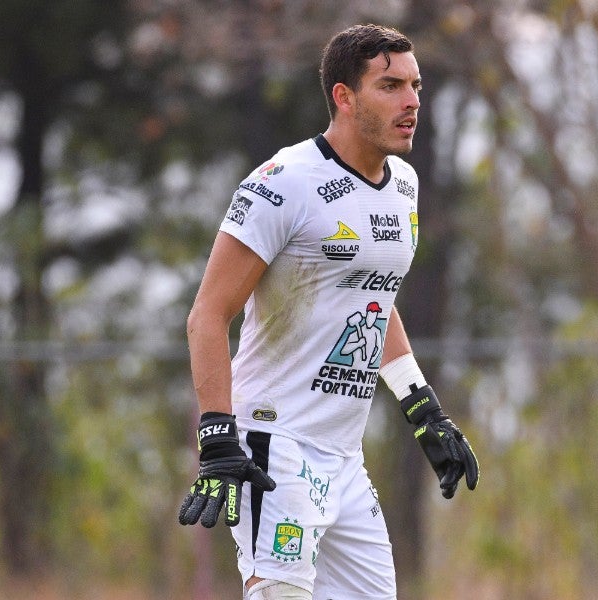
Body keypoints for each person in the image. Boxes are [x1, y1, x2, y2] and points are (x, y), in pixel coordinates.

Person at [178, 23, 479, 600]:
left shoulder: (406, 187)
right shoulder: (283, 183)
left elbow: (373, 295)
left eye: (416, 85)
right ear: (343, 96)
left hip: (344, 458)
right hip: (274, 445)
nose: (412, 101)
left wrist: (424, 409)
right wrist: (217, 436)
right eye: (390, 85)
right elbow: (207, 316)